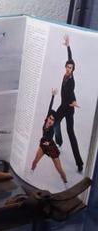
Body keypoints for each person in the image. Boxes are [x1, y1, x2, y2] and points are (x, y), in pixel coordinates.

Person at [53, 35, 83, 173]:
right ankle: (59, 142)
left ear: (73, 69)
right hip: (62, 106)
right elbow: (70, 57)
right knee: (55, 122)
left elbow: (71, 92)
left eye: (71, 68)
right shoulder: (66, 75)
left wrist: (74, 101)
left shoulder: (71, 81)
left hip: (69, 109)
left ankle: (79, 163)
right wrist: (68, 46)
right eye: (68, 67)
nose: (69, 69)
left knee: (71, 134)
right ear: (66, 67)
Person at [31, 88, 68, 184]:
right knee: (35, 161)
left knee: (59, 169)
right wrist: (53, 96)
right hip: (43, 145)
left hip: (51, 147)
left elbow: (49, 138)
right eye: (50, 118)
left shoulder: (52, 128)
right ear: (48, 117)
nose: (51, 121)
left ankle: (65, 182)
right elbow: (50, 107)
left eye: (53, 120)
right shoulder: (46, 120)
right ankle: (30, 173)